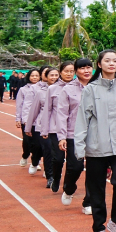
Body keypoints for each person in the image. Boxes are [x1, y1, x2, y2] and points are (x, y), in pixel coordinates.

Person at [75, 51, 116, 232]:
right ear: (99, 64)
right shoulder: (91, 90)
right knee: (96, 188)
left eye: (115, 61)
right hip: (96, 145)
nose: (112, 63)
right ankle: (98, 227)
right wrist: (79, 147)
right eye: (107, 60)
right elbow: (82, 119)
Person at [56, 59, 93, 212]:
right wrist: (62, 136)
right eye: (82, 68)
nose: (86, 70)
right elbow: (62, 113)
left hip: (95, 134)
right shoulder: (68, 89)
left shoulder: (98, 86)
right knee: (75, 167)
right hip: (73, 134)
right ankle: (69, 188)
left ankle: (88, 202)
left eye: (88, 67)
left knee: (94, 169)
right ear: (76, 71)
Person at [26, 65, 60, 186]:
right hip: (43, 126)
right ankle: (50, 176)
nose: (54, 77)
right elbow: (33, 110)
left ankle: (54, 174)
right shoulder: (40, 92)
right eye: (51, 75)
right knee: (48, 151)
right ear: (45, 77)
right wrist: (28, 127)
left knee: (57, 154)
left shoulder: (64, 90)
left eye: (57, 75)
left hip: (59, 127)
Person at [45, 61, 74, 194]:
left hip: (73, 129)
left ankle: (68, 183)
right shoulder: (52, 89)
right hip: (55, 128)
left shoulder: (79, 87)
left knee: (73, 161)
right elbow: (47, 110)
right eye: (66, 71)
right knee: (57, 158)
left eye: (71, 71)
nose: (69, 74)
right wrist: (45, 129)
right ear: (60, 72)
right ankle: (55, 178)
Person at [15, 68, 42, 172]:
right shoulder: (23, 90)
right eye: (32, 75)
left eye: (36, 75)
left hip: (38, 120)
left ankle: (36, 161)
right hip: (26, 120)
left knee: (37, 142)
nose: (34, 77)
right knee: (27, 141)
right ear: (28, 77)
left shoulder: (43, 89)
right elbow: (20, 105)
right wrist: (19, 119)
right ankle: (25, 155)